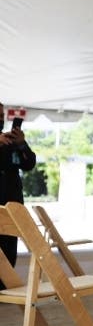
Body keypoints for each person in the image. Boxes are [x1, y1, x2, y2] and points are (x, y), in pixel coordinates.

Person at [0, 105, 36, 286]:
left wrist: (22, 143)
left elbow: (29, 164)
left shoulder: (10, 142)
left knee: (8, 248)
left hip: (12, 203)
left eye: (1, 116)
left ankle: (4, 287)